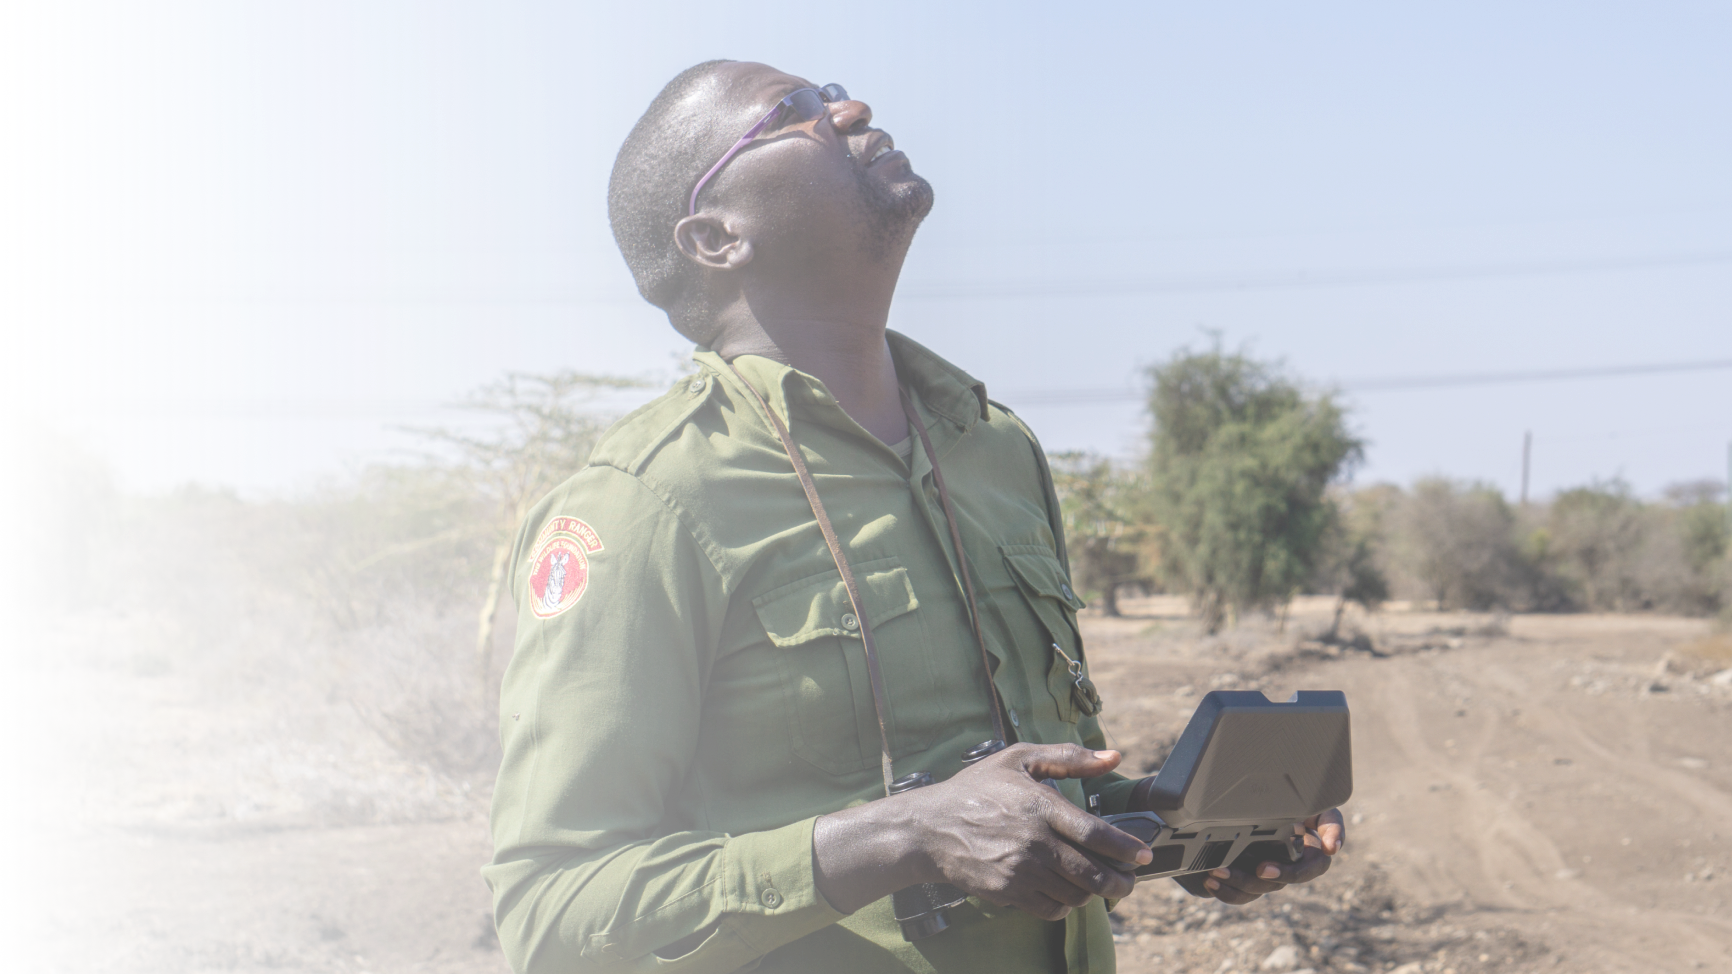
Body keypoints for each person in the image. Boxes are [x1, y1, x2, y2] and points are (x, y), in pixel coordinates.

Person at [483, 59, 1345, 973]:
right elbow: (551, 912)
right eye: (795, 112)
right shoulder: (643, 503)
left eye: (832, 89)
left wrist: (1188, 824)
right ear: (714, 235)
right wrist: (901, 839)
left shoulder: (992, 449)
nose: (850, 109)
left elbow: (1025, 796)